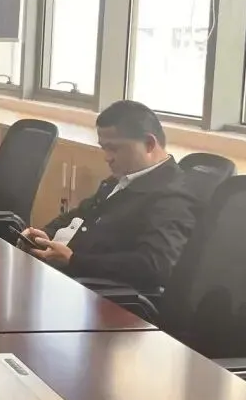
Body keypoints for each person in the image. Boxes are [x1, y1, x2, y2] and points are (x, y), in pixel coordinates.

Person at [20, 100, 199, 293]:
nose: (107, 157)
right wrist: (46, 235)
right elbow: (82, 213)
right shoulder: (122, 178)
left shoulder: (173, 197)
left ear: (149, 144)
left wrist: (73, 260)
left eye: (114, 148)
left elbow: (153, 265)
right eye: (104, 148)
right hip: (65, 275)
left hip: (94, 292)